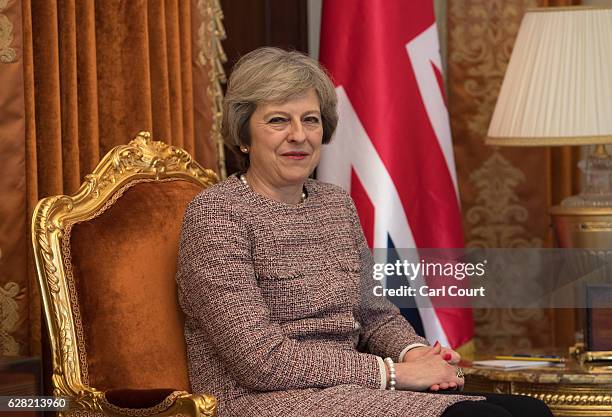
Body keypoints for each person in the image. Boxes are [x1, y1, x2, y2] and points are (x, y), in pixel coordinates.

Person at [176, 47, 553, 417]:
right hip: (260, 399)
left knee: (530, 410)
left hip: (351, 388)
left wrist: (415, 353)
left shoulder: (335, 205)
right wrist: (394, 373)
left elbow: (375, 315)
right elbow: (260, 359)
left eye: (310, 119)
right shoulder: (216, 214)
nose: (298, 135)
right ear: (244, 133)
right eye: (278, 120)